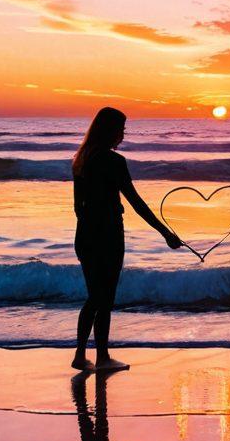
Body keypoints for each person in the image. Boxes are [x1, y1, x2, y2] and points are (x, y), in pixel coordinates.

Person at [72, 106, 180, 372]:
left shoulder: (81, 159)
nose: (123, 134)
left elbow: (77, 207)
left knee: (94, 296)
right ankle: (102, 357)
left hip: (85, 234)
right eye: (121, 128)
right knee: (104, 298)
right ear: (110, 130)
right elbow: (136, 203)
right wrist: (165, 232)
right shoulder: (114, 162)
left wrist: (91, 222)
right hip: (108, 235)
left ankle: (81, 354)